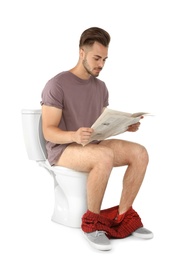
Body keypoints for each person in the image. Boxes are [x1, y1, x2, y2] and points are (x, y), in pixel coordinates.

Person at [40, 27, 153, 251]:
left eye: (105, 59)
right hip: (63, 149)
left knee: (140, 153)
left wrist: (124, 126)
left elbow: (100, 128)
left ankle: (123, 216)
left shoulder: (101, 87)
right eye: (96, 58)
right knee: (103, 156)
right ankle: (92, 223)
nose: (101, 64)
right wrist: (73, 135)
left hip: (92, 144)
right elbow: (48, 131)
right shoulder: (57, 84)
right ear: (82, 53)